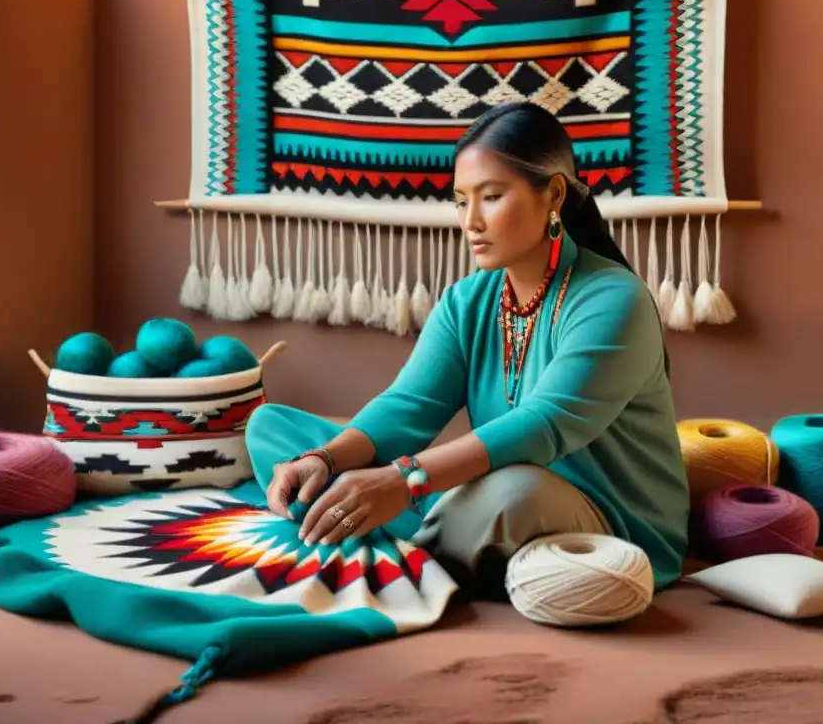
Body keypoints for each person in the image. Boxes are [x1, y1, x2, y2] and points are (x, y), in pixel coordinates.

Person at [245, 101, 689, 599]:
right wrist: (325, 460)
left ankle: (382, 531)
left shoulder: (614, 299)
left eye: (492, 196)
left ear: (555, 196)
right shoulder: (468, 300)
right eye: (460, 201)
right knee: (273, 430)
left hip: (603, 514)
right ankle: (398, 527)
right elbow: (408, 406)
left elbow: (544, 424)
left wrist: (403, 481)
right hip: (469, 494)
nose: (471, 221)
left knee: (514, 491)